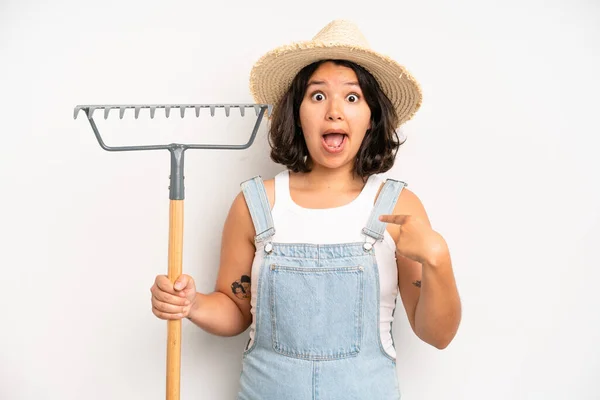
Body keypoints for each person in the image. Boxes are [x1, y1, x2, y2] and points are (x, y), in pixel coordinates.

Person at [150, 19, 461, 399]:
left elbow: (438, 335)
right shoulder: (255, 204)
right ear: (296, 112)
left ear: (371, 116)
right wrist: (192, 303)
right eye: (317, 96)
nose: (334, 111)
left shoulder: (397, 210)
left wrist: (438, 260)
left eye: (352, 97)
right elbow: (234, 307)